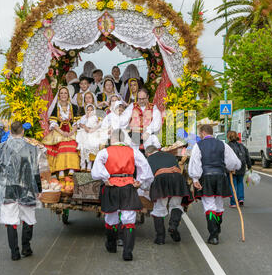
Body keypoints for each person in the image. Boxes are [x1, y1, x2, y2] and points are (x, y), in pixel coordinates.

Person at [0, 121, 49, 261]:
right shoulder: (32, 149)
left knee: (10, 220)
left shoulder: (0, 149)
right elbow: (36, 171)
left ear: (10, 132)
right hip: (27, 188)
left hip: (8, 188)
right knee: (28, 218)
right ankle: (26, 247)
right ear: (22, 131)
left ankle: (14, 253)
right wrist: (38, 189)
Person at [91, 129, 154, 261]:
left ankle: (111, 245)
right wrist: (140, 181)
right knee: (129, 219)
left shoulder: (105, 152)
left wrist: (105, 178)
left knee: (111, 217)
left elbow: (96, 170)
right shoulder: (133, 151)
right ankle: (127, 252)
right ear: (125, 140)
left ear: (112, 139)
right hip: (128, 186)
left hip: (111, 186)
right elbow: (146, 168)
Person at [188, 124, 241, 245]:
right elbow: (233, 162)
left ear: (202, 133)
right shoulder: (223, 144)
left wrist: (195, 179)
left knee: (209, 205)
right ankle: (217, 229)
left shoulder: (198, 145)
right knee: (218, 204)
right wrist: (233, 168)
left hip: (206, 177)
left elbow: (195, 163)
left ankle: (213, 235)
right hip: (220, 176)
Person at [145, 146, 193, 245]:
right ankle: (173, 226)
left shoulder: (149, 159)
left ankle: (160, 238)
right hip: (177, 178)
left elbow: (148, 177)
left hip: (161, 179)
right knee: (176, 205)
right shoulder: (170, 155)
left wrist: (146, 189)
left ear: (148, 153)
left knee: (160, 208)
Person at [42, 86, 80, 176]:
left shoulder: (74, 107)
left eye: (65, 93)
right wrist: (62, 132)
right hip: (59, 131)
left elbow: (77, 122)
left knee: (73, 143)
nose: (63, 95)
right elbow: (53, 123)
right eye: (61, 93)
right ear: (59, 95)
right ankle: (60, 169)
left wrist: (72, 132)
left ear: (68, 95)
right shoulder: (56, 107)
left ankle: (72, 168)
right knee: (61, 144)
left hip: (71, 131)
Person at [75, 104, 107, 171]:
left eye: (91, 110)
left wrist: (93, 129)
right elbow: (80, 124)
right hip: (84, 132)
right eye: (88, 110)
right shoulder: (84, 117)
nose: (89, 111)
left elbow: (99, 125)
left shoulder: (96, 117)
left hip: (93, 132)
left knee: (92, 144)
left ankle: (89, 164)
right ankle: (83, 164)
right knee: (83, 144)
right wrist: (85, 121)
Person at [226, 130, 252, 208]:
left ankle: (233, 202)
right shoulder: (242, 145)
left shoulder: (227, 146)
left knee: (232, 184)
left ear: (228, 137)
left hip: (232, 168)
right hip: (242, 167)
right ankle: (241, 199)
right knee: (240, 182)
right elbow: (247, 156)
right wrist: (249, 166)